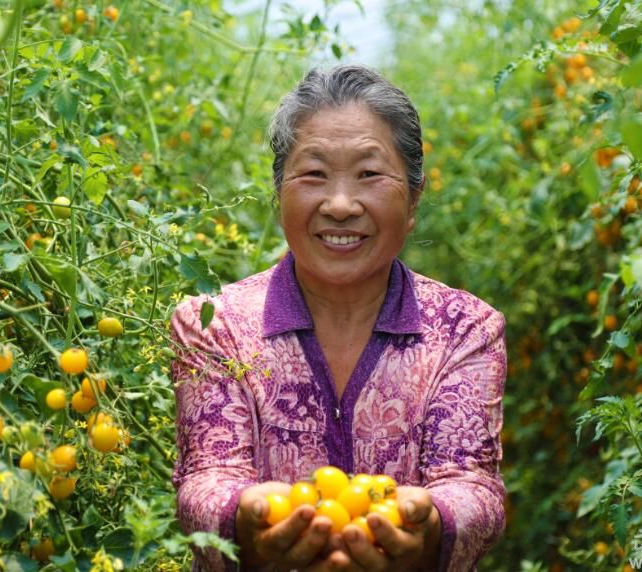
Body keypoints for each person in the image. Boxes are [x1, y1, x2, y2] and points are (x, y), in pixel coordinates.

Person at [170, 64, 507, 572]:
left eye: (370, 174)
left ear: (413, 199)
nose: (342, 204)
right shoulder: (214, 325)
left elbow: (471, 484)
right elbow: (208, 476)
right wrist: (245, 520)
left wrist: (431, 523)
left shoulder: (466, 329)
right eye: (314, 175)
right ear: (278, 193)